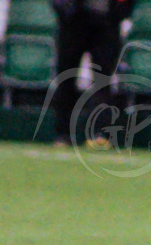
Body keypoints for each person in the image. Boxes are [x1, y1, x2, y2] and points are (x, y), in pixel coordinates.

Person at [47, 0, 130, 144]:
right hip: (73, 22)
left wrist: (119, 11)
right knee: (66, 77)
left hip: (107, 23)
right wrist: (65, 8)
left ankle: (100, 133)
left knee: (103, 80)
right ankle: (63, 134)